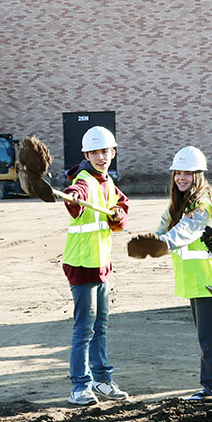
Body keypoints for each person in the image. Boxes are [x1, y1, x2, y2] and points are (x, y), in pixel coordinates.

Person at [153, 146, 212, 402]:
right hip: (199, 277)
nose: (181, 178)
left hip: (211, 277)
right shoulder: (180, 201)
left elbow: (186, 230)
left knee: (209, 334)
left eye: (187, 173)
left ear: (198, 175)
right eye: (178, 173)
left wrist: (162, 244)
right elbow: (163, 227)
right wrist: (153, 240)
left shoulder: (203, 203)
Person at [62, 126, 130, 406]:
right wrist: (73, 199)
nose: (101, 157)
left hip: (101, 264)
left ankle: (102, 380)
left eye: (105, 151)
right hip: (81, 265)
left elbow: (122, 207)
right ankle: (80, 386)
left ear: (113, 152)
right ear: (86, 155)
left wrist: (117, 215)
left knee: (100, 326)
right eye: (95, 152)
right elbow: (74, 196)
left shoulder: (107, 182)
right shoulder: (84, 181)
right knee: (84, 329)